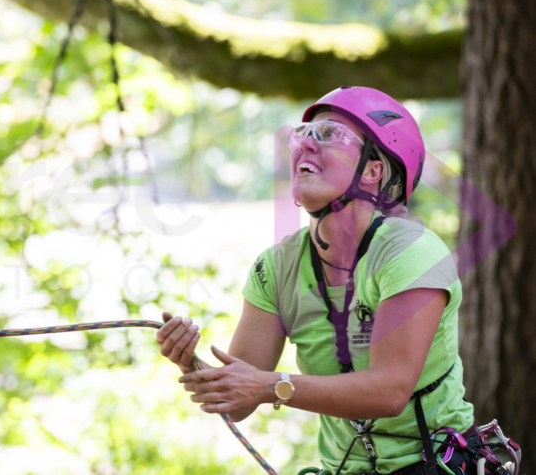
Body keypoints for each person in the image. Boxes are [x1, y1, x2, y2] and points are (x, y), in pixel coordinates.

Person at [156, 87, 478, 475]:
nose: (304, 145)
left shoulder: (410, 253)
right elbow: (240, 401)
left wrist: (271, 386)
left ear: (374, 170)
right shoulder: (276, 268)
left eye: (328, 134)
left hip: (433, 465)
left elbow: (390, 390)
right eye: (302, 134)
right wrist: (193, 365)